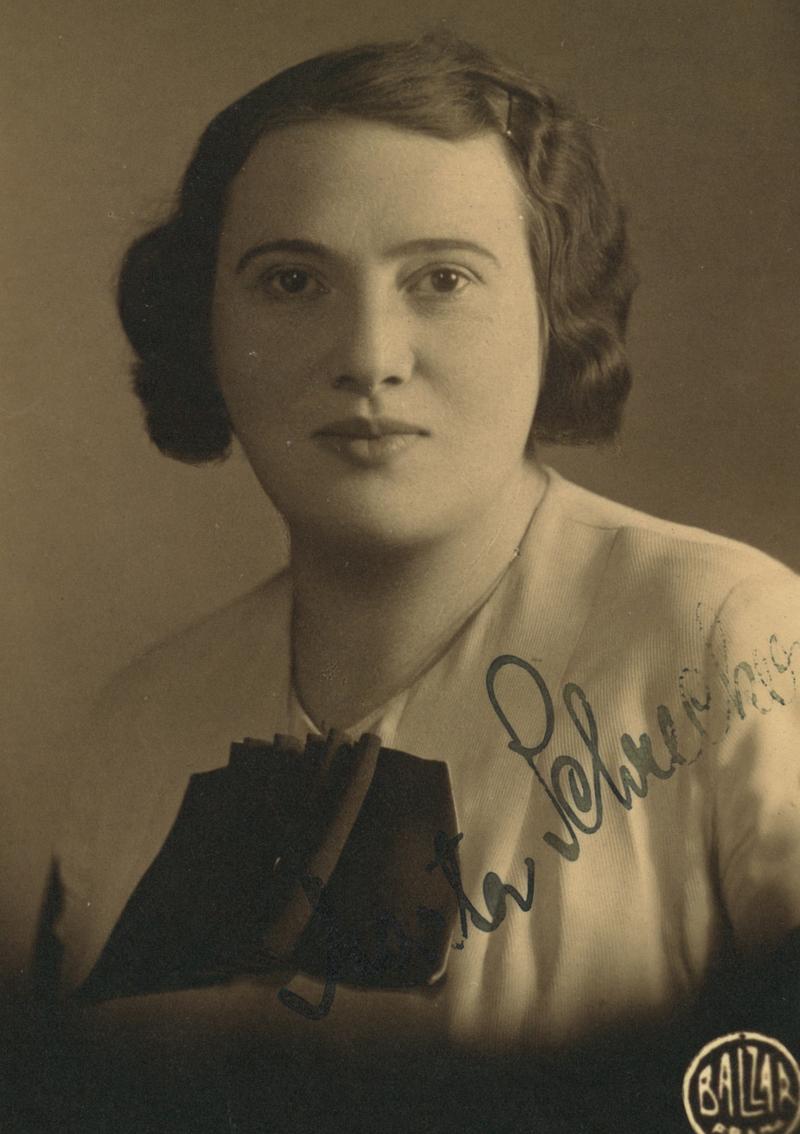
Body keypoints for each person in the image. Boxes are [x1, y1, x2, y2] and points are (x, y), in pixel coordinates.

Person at [32, 32, 799, 1133]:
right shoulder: (137, 730)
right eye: (292, 282)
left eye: (441, 279)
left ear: (554, 311)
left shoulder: (727, 638)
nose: (369, 355)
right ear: (208, 325)